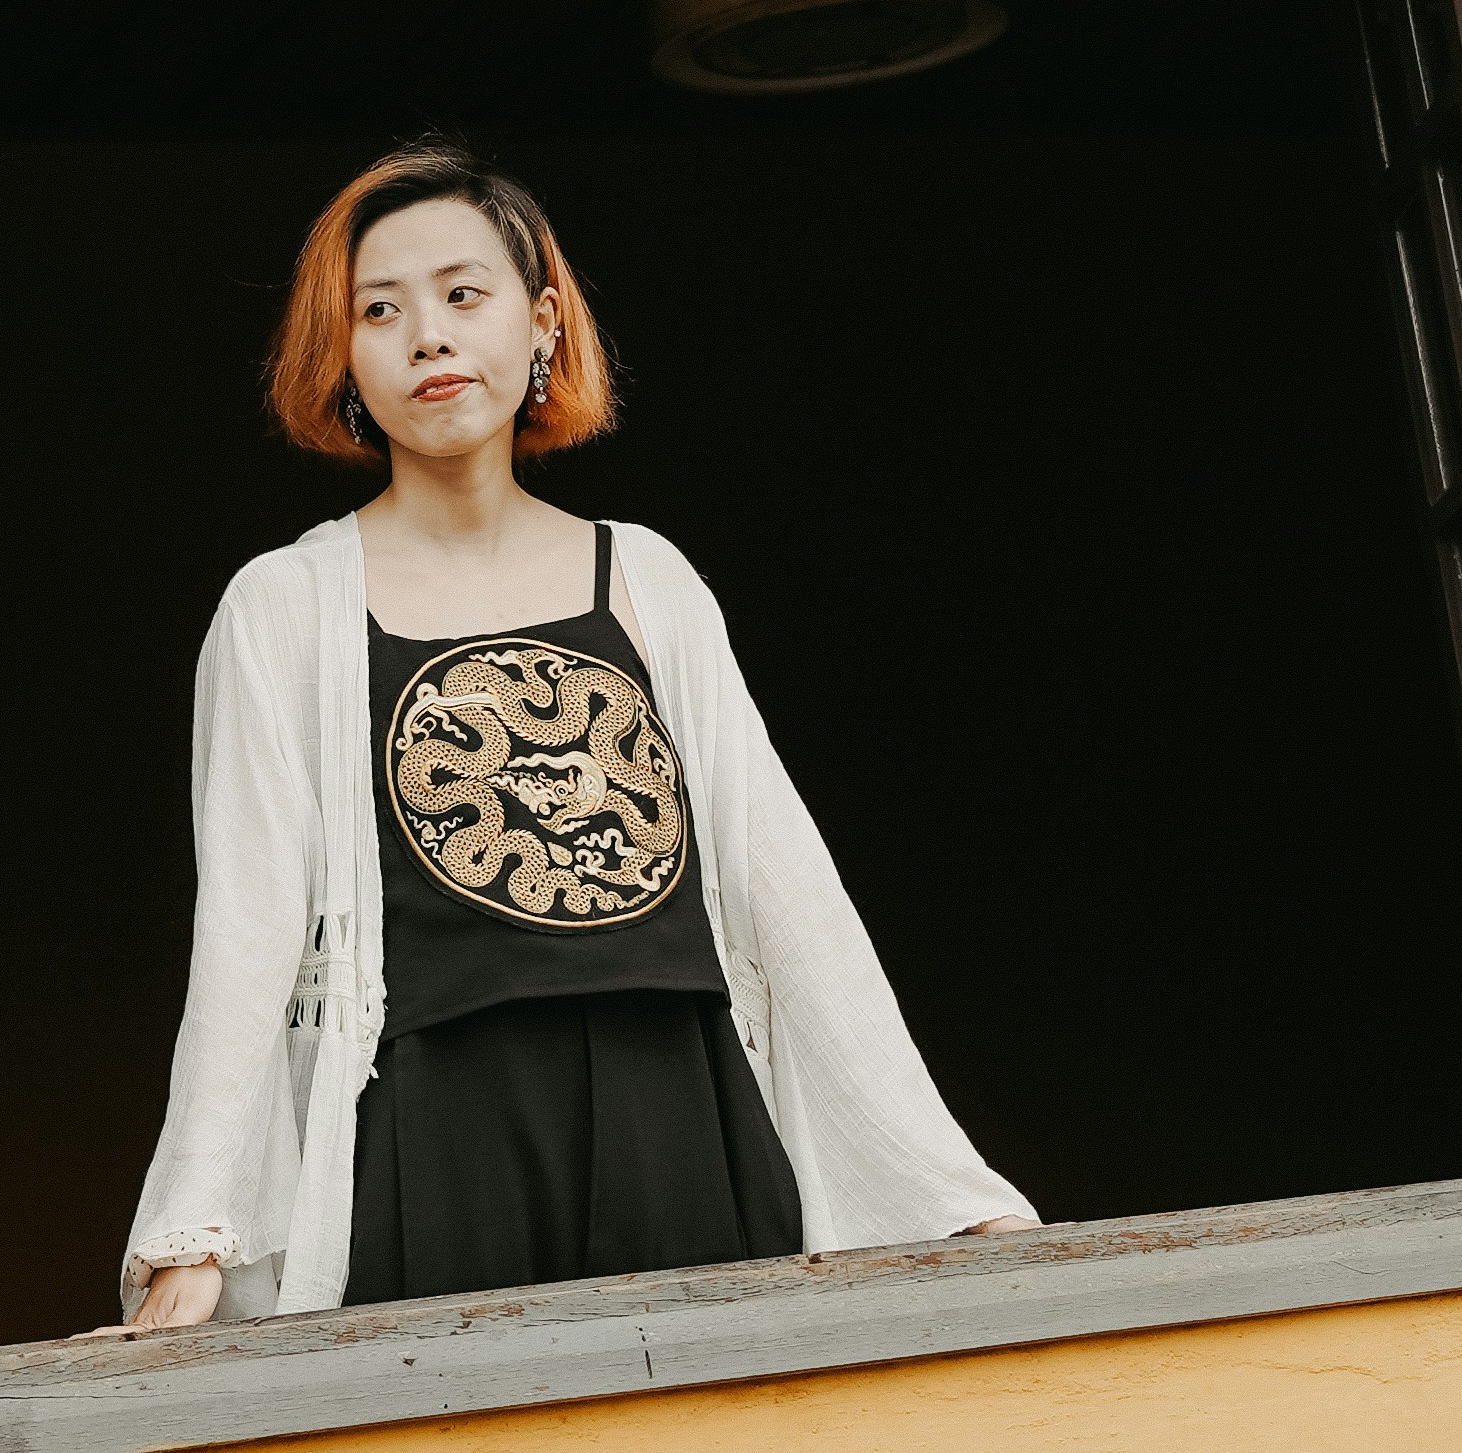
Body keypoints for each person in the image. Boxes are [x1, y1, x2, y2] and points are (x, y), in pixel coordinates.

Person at [113, 140, 1033, 1327]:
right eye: (379, 311)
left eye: (462, 294)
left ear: (542, 322)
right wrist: (196, 1228)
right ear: (341, 357)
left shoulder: (646, 577)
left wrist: (943, 1185)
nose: (428, 337)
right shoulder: (283, 607)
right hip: (434, 1119)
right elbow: (245, 924)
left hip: (684, 1099)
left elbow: (782, 876)